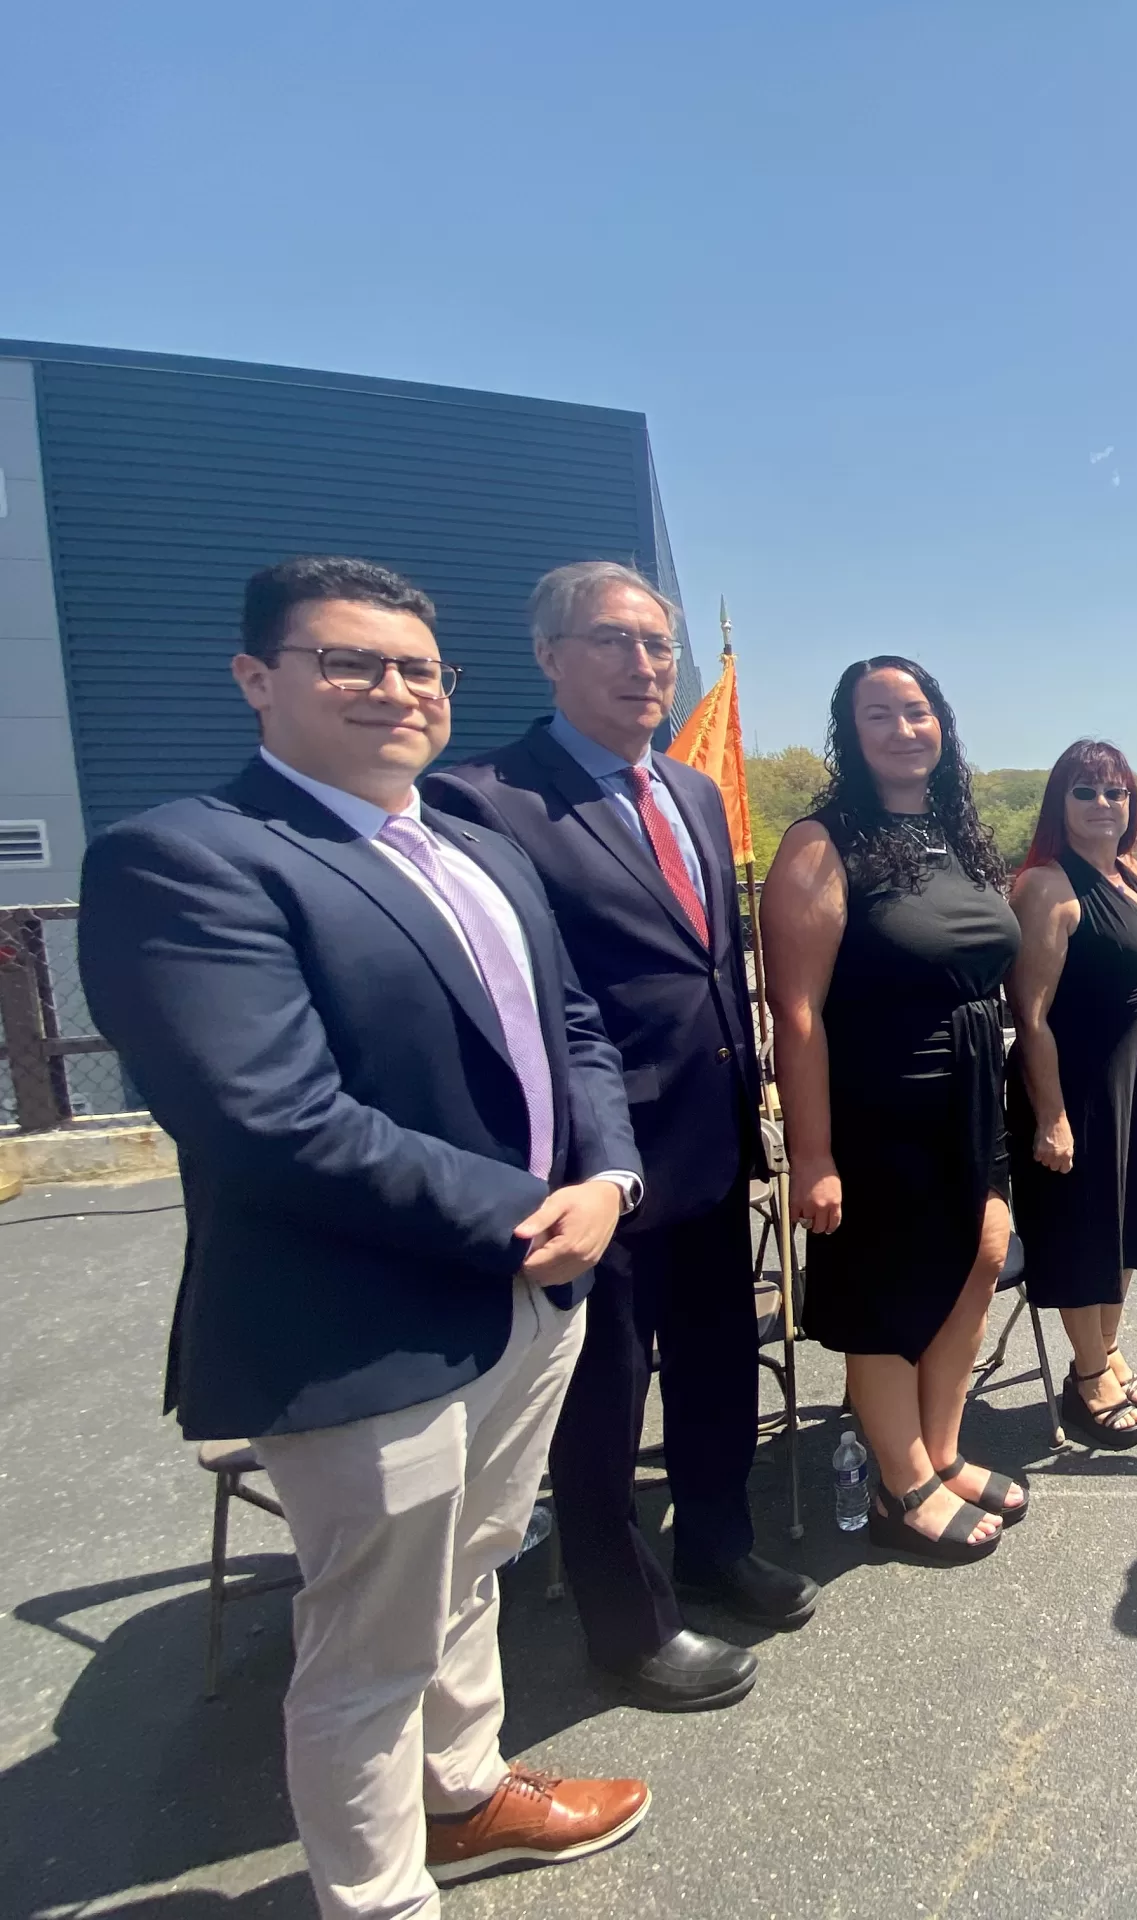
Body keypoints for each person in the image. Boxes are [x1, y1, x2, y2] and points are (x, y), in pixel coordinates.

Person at [78, 557, 649, 1916]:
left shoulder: (479, 850)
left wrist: (612, 1175)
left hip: (534, 1292)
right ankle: (378, 1895)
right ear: (257, 679)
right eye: (351, 664)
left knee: (472, 1575)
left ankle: (463, 1797)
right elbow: (272, 1119)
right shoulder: (187, 857)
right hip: (360, 1325)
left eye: (417, 670)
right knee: (366, 1643)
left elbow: (571, 1035)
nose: (394, 691)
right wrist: (527, 1210)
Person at [427, 561, 814, 1712]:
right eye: (613, 642)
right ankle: (627, 1625)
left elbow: (710, 964)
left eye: (657, 646)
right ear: (548, 656)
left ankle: (715, 1546)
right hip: (588, 1165)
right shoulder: (485, 799)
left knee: (717, 1361)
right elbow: (519, 1002)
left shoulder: (693, 793)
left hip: (709, 1136)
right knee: (600, 1398)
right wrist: (588, 1161)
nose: (644, 666)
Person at [761, 656, 1025, 1559]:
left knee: (980, 1256)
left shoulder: (957, 830)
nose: (904, 729)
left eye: (916, 711)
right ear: (851, 733)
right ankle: (901, 1479)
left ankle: (942, 1451)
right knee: (887, 1289)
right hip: (880, 1099)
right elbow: (794, 1011)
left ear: (940, 724)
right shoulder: (823, 840)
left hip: (971, 1091)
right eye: (880, 715)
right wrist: (814, 1153)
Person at [1005, 741, 1137, 1448]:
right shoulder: (1046, 886)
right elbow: (1031, 1015)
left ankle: (1106, 1350)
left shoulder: (1129, 871)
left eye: (1116, 792)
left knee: (1127, 1222)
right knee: (1082, 1231)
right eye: (1086, 792)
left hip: (1127, 1078)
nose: (1104, 805)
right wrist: (1051, 1116)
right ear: (1059, 804)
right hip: (1072, 1082)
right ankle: (1085, 1378)